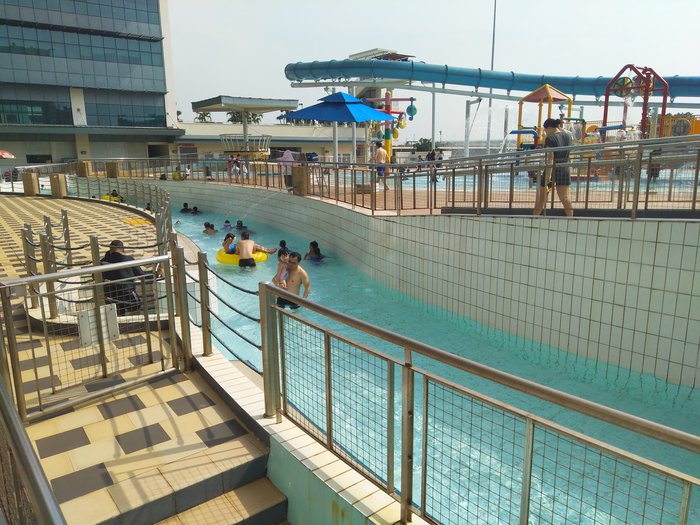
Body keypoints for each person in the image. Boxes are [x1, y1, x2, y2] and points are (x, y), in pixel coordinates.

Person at [534, 118, 574, 217]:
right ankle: (571, 219)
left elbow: (550, 158)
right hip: (564, 168)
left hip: (552, 169)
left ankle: (534, 218)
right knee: (564, 197)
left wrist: (548, 176)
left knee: (541, 198)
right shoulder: (568, 135)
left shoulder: (550, 139)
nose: (545, 132)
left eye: (545, 130)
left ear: (549, 128)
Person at [101, 240, 145, 315]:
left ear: (110, 250)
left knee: (117, 313)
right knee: (136, 307)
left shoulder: (102, 262)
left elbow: (95, 276)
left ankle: (120, 320)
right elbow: (141, 275)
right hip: (127, 292)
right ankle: (134, 321)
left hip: (110, 294)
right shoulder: (128, 259)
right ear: (123, 249)